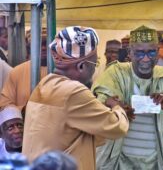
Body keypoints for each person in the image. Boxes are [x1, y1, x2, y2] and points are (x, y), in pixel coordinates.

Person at [22, 26, 129, 170]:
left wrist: (99, 106)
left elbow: (73, 129)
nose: (94, 69)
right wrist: (117, 108)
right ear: (81, 66)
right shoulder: (74, 92)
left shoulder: (45, 83)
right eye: (94, 63)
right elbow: (116, 128)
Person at [92, 25, 163, 170]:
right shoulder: (115, 74)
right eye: (139, 53)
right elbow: (97, 108)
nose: (146, 58)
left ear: (158, 52)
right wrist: (113, 105)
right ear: (130, 52)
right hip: (119, 162)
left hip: (157, 163)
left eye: (151, 52)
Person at [0, 28, 48, 111]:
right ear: (30, 47)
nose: (43, 48)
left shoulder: (64, 71)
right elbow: (5, 103)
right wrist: (24, 109)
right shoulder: (17, 72)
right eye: (39, 44)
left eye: (46, 44)